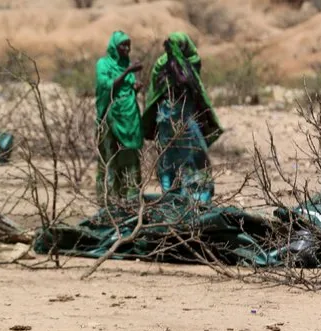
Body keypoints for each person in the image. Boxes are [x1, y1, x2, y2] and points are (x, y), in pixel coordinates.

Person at [142, 32, 224, 203]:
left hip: (164, 119)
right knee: (194, 158)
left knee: (168, 160)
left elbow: (153, 94)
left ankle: (171, 197)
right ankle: (197, 200)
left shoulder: (161, 64)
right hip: (183, 120)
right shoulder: (187, 66)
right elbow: (195, 92)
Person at [95, 31, 144, 202]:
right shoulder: (103, 64)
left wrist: (135, 88)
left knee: (129, 158)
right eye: (123, 45)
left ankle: (129, 200)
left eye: (128, 45)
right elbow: (107, 86)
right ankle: (109, 201)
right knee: (110, 157)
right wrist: (128, 71)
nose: (127, 48)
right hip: (110, 117)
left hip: (129, 117)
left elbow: (127, 89)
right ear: (114, 47)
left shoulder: (127, 65)